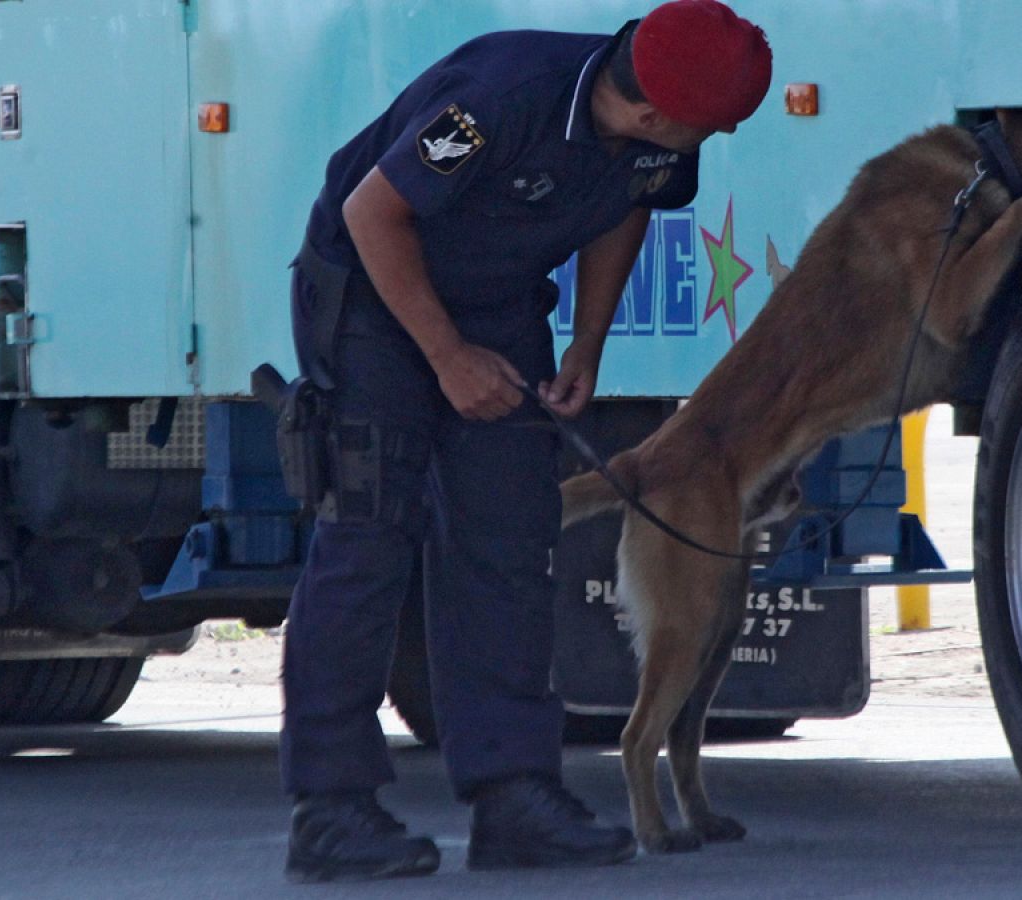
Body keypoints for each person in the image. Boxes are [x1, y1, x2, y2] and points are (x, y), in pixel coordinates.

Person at [279, 0, 771, 882]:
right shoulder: (496, 99)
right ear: (654, 108)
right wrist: (446, 356)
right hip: (373, 304)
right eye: (708, 128)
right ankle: (332, 810)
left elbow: (631, 199)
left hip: (499, 309)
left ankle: (514, 798)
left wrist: (588, 341)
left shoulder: (655, 134)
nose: (710, 140)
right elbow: (371, 212)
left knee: (509, 545)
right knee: (367, 542)